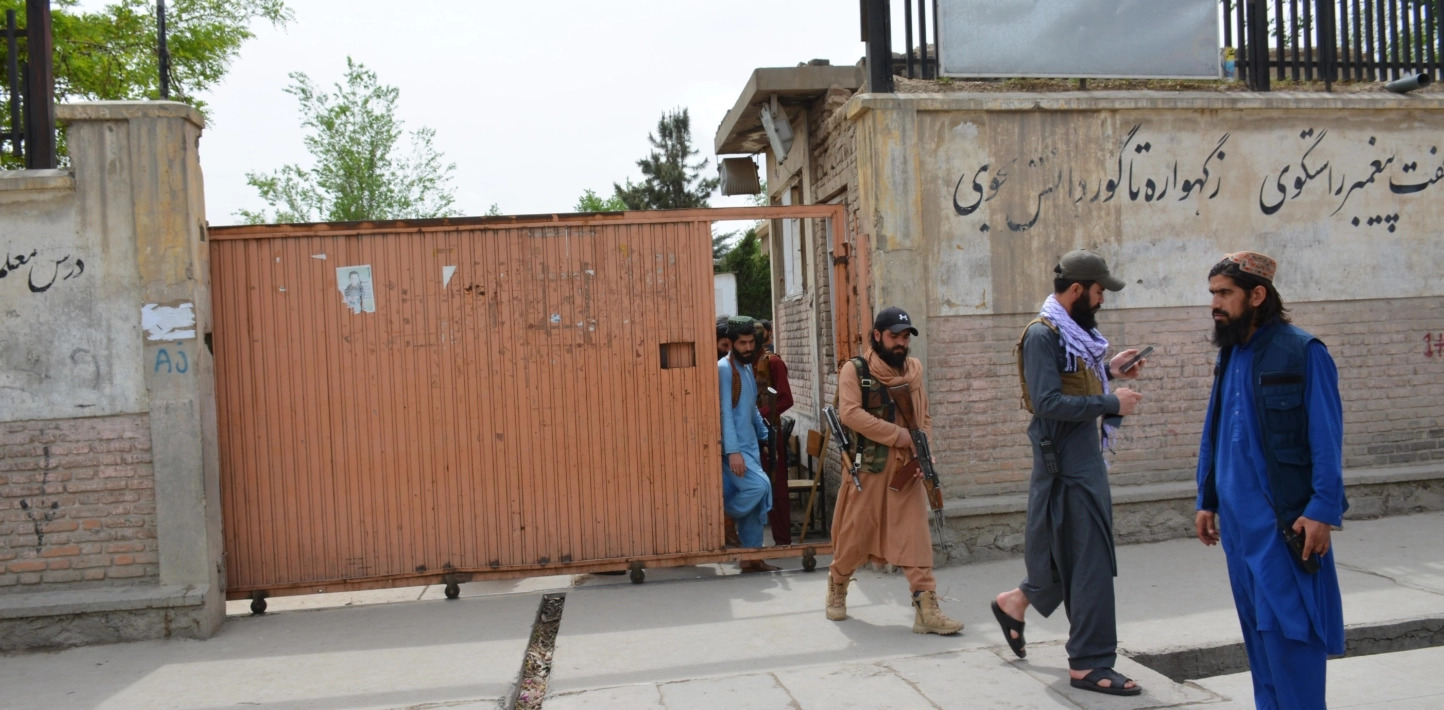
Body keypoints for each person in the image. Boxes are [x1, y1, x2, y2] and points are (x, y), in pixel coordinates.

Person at [1194, 252, 1346, 710]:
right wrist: (1206, 498)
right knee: (1259, 643)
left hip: (1285, 525)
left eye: (1225, 293)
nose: (1214, 304)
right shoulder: (1231, 353)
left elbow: (1326, 438)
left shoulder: (1304, 351)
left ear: (1257, 295)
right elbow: (1215, 431)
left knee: (1293, 636)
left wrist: (1323, 509)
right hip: (1239, 531)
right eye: (1212, 294)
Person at [991, 249, 1146, 696]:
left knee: (1068, 553)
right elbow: (1047, 402)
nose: (1101, 300)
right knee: (1090, 560)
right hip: (1066, 464)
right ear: (1076, 289)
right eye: (1098, 292)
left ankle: (1014, 602)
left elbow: (1072, 382)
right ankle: (1089, 663)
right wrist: (1110, 402)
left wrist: (1110, 371)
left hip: (1081, 460)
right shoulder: (1044, 335)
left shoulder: (1073, 334)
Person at [826, 307, 964, 635]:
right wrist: (901, 437)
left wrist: (923, 451)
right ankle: (838, 583)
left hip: (907, 469)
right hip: (869, 468)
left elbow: (924, 416)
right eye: (894, 336)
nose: (901, 343)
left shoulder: (913, 371)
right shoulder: (855, 370)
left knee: (915, 538)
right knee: (855, 538)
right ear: (877, 336)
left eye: (905, 337)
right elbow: (850, 414)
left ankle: (926, 608)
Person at [718, 316, 779, 572]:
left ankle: (752, 558)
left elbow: (751, 408)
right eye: (742, 343)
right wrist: (733, 452)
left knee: (754, 509)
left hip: (751, 447)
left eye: (751, 342)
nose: (748, 347)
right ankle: (725, 517)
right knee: (759, 487)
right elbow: (725, 413)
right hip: (735, 451)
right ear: (730, 342)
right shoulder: (724, 369)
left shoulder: (745, 367)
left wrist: (765, 436)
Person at [755, 320, 795, 546]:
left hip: (770, 430)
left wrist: (757, 414)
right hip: (747, 433)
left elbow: (786, 399)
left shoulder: (774, 363)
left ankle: (783, 542)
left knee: (776, 486)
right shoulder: (739, 364)